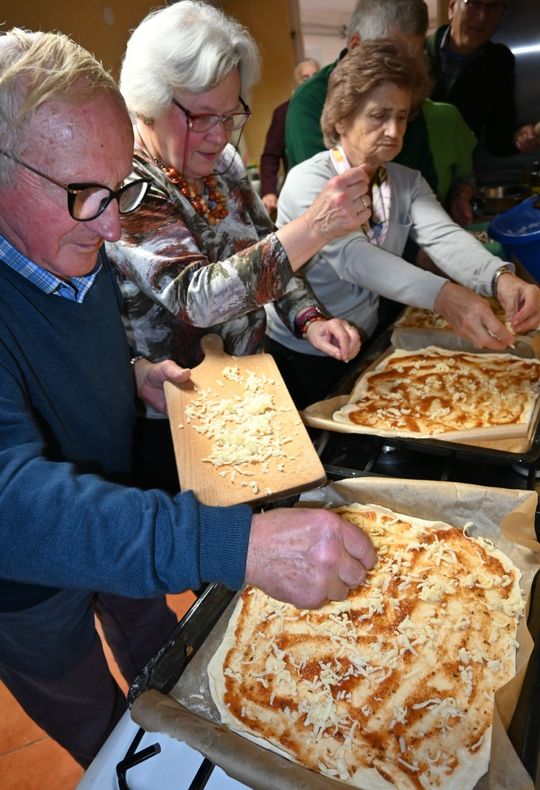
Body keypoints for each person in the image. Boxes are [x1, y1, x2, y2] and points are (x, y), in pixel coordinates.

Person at [0, 28, 378, 769]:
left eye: (119, 189)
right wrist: (235, 545)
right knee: (99, 726)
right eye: (85, 195)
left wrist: (129, 370)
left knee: (159, 656)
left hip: (119, 498)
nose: (113, 226)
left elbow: (64, 343)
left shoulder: (74, 231)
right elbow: (13, 506)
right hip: (26, 586)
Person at [106, 2, 365, 488]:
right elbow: (196, 298)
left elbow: (263, 249)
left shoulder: (221, 163)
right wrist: (313, 227)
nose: (219, 135)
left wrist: (309, 319)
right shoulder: (126, 185)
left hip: (249, 390)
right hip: (177, 415)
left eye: (229, 115)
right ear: (148, 103)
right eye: (202, 117)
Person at [265, 39, 540, 408]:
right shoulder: (310, 182)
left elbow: (444, 236)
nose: (394, 131)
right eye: (379, 116)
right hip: (301, 352)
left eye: (401, 116)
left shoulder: (405, 181)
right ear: (341, 119)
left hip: (362, 337)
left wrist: (500, 278)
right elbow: (355, 259)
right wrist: (444, 297)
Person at [285, 0, 479, 226]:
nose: (405, 70)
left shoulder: (407, 96)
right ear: (356, 45)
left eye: (415, 57)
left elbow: (420, 186)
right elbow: (332, 203)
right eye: (391, 56)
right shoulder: (310, 101)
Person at [427, 0, 540, 158]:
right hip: (406, 169)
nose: (482, 17)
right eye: (473, 4)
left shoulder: (498, 61)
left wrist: (520, 138)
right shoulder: (416, 53)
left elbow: (498, 139)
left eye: (494, 7)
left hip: (459, 170)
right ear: (452, 8)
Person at [260, 57, 320, 215]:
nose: (311, 81)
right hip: (300, 192)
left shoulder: (330, 108)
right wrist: (269, 191)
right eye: (305, 78)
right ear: (297, 82)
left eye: (316, 76)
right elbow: (270, 156)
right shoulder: (284, 113)